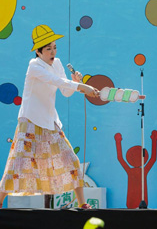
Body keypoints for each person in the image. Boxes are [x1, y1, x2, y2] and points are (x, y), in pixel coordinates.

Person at [0, 24, 100, 209]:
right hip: (30, 120)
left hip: (49, 121)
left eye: (54, 47)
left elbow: (65, 91)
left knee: (71, 159)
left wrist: (76, 82)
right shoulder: (34, 66)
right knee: (18, 163)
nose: (52, 52)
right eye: (48, 49)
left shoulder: (58, 63)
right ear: (38, 52)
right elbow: (56, 80)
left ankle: (82, 203)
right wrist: (81, 87)